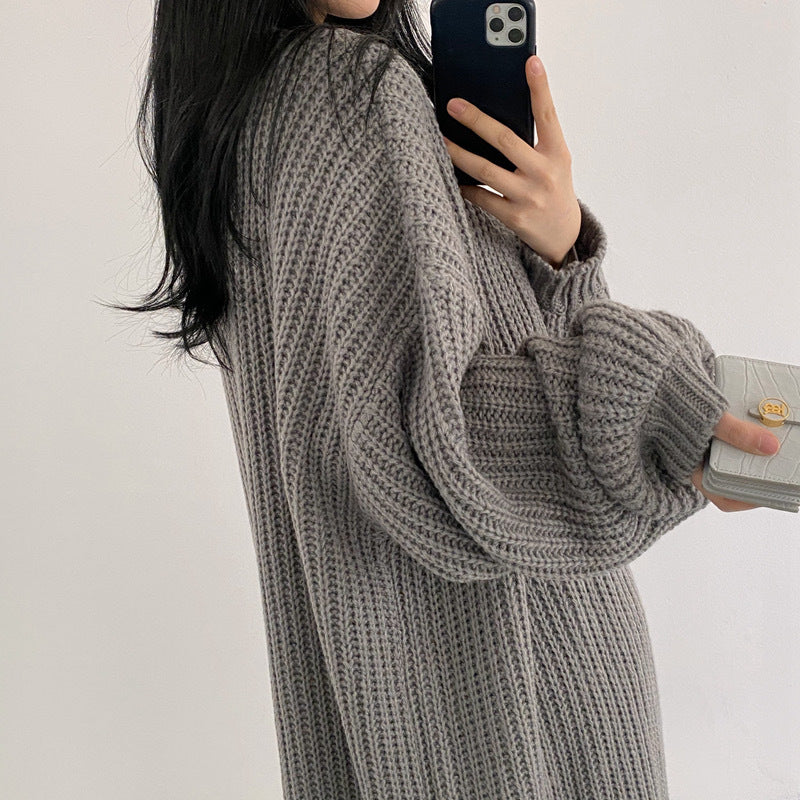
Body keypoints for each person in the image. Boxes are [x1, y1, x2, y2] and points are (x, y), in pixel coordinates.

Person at [118, 0, 781, 797]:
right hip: (517, 700)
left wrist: (562, 252)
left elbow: (427, 393)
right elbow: (442, 434)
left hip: (402, 714)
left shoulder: (240, 125)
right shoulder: (348, 88)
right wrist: (663, 422)